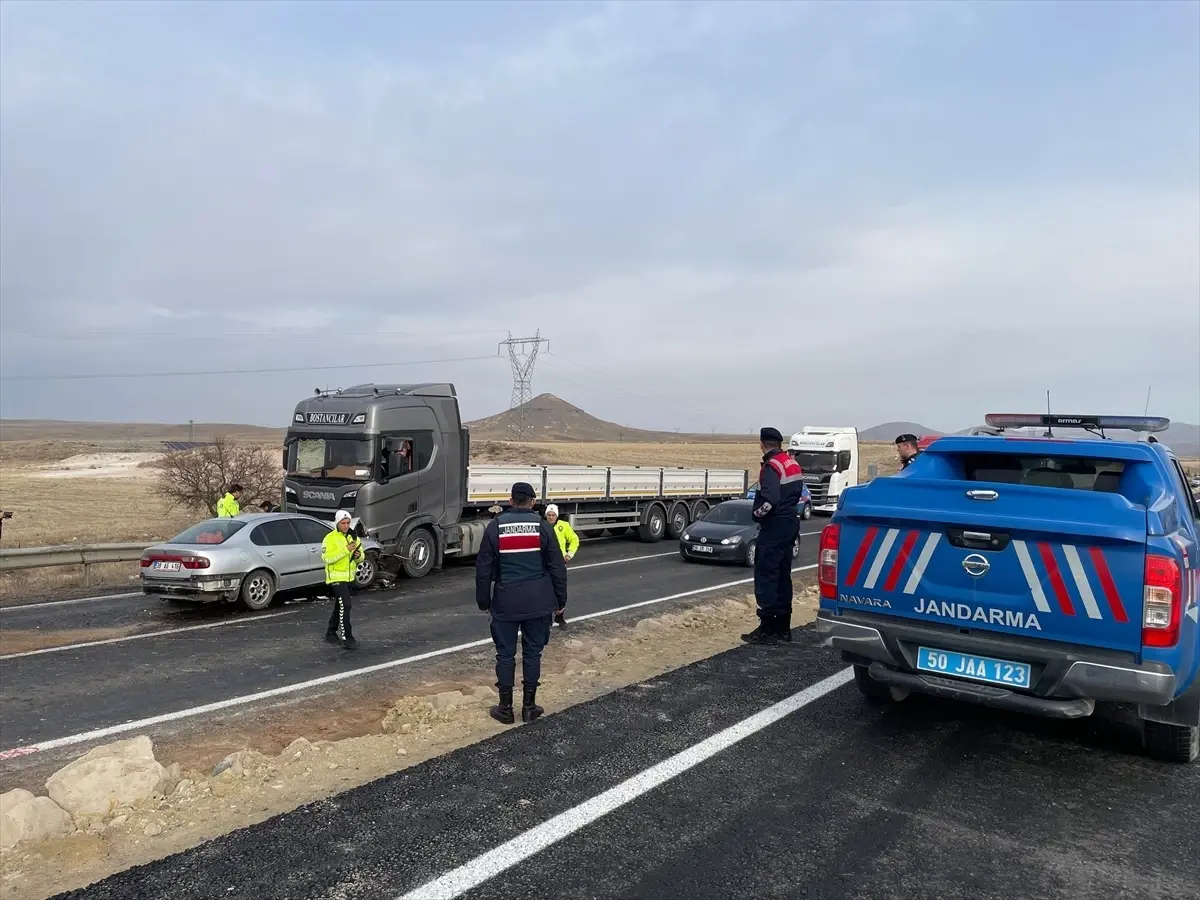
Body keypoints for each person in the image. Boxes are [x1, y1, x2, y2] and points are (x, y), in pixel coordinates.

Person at [475, 481, 568, 724]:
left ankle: (505, 709)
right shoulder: (543, 527)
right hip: (538, 602)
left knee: (505, 655)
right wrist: (560, 601)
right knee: (532, 653)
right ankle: (529, 707)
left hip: (505, 602)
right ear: (533, 503)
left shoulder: (495, 527)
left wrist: (483, 601)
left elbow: (483, 569)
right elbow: (557, 567)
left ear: (510, 500)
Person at [743, 426, 804, 645]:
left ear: (762, 443)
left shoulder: (771, 466)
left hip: (774, 526)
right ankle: (783, 629)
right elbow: (797, 492)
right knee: (782, 575)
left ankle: (767, 628)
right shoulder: (791, 462)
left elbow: (769, 499)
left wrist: (757, 515)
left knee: (766, 576)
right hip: (790, 523)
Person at [322, 509, 362, 649]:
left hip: (349, 577)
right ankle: (347, 637)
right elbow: (327, 558)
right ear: (337, 523)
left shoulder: (353, 537)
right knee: (346, 605)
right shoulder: (330, 538)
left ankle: (330, 633)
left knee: (339, 606)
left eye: (348, 522)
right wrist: (345, 550)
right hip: (336, 578)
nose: (346, 525)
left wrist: (358, 556)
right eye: (343, 523)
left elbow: (361, 556)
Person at [544, 504, 579, 628]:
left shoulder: (563, 526)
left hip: (559, 563)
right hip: (545, 563)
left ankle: (560, 616)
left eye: (553, 515)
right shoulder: (542, 526)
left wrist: (569, 554)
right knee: (545, 591)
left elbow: (574, 540)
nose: (551, 517)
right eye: (549, 515)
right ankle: (547, 618)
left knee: (560, 590)